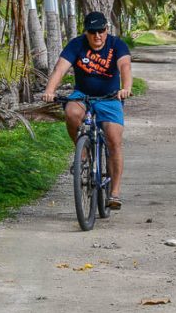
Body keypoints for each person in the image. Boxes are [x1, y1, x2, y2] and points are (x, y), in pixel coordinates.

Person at [42, 11, 132, 210]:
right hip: (82, 95)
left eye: (101, 31)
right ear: (86, 32)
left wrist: (126, 88)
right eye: (92, 32)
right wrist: (50, 90)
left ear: (106, 30)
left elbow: (125, 66)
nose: (97, 36)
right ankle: (82, 152)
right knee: (72, 113)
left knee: (114, 139)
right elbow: (60, 68)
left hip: (110, 98)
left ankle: (114, 192)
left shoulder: (117, 45)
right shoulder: (76, 44)